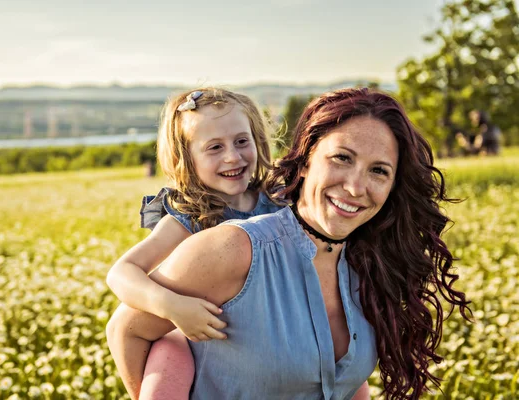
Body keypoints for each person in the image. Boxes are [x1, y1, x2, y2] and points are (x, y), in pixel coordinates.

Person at [109, 88, 471, 399]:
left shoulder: (355, 251)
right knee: (169, 352)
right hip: (184, 329)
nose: (356, 188)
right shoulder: (199, 226)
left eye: (379, 170)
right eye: (341, 158)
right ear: (307, 157)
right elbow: (124, 305)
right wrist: (171, 306)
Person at [105, 87, 284, 399]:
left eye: (242, 141)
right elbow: (121, 272)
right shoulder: (191, 216)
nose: (233, 156)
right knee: (164, 372)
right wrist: (171, 306)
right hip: (200, 338)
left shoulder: (277, 203)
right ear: (185, 158)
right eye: (214, 147)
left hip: (269, 334)